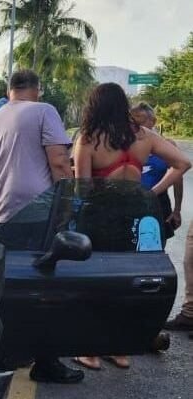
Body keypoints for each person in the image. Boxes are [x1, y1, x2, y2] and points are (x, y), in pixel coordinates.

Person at [0, 69, 83, 383]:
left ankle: (9, 352)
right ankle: (47, 362)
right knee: (47, 290)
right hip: (36, 215)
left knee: (5, 290)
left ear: (9, 91)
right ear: (37, 89)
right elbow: (60, 163)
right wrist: (67, 207)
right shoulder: (43, 111)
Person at [72, 84, 191, 369]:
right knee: (125, 280)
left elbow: (81, 189)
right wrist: (153, 192)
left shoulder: (89, 139)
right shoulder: (144, 136)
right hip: (134, 216)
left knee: (95, 281)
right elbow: (183, 162)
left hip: (100, 215)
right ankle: (119, 349)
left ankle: (89, 350)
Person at [130, 102, 183, 241]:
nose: (137, 125)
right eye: (134, 120)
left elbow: (178, 177)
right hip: (130, 202)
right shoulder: (125, 144)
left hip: (158, 203)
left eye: (142, 121)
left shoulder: (167, 145)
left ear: (153, 121)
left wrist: (177, 210)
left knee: (157, 246)